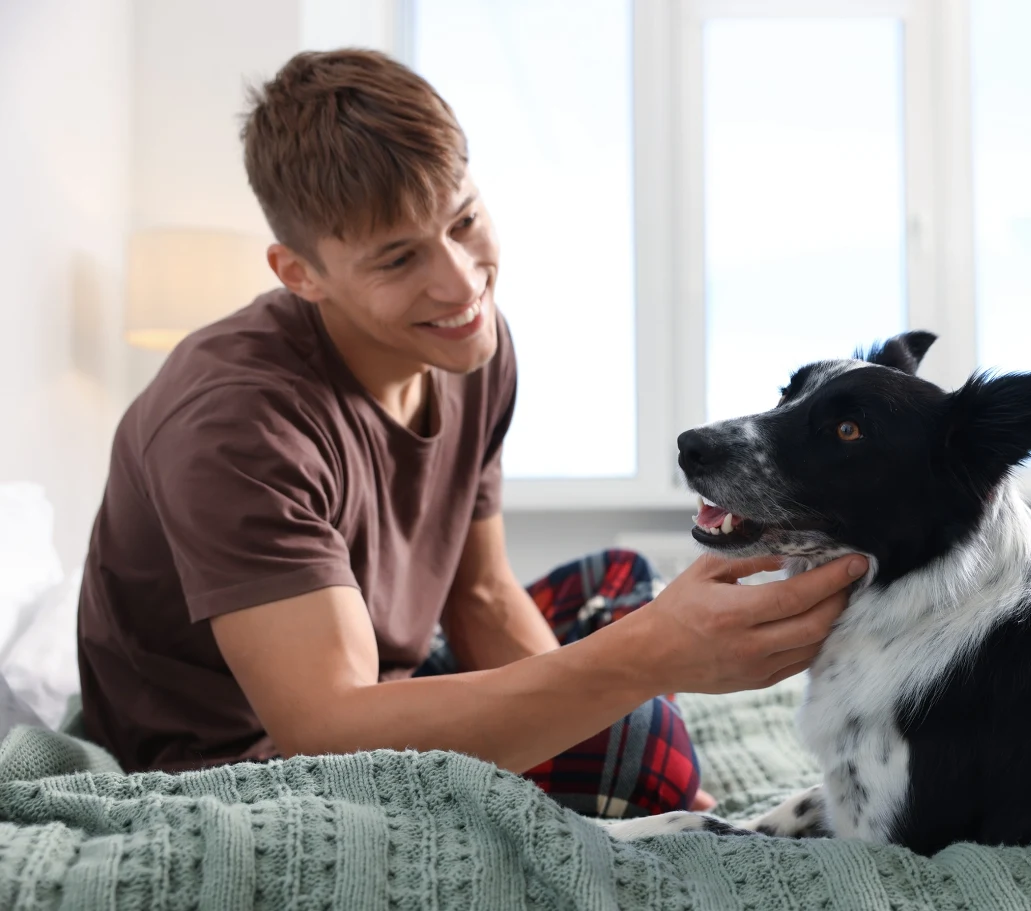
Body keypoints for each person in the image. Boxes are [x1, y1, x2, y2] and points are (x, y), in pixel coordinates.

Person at [75, 49, 866, 819]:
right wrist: (648, 664)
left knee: (620, 581)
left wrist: (631, 692)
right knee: (638, 724)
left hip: (391, 685)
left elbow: (481, 593)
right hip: (253, 755)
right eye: (398, 260)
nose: (460, 283)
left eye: (463, 220)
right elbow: (326, 730)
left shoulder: (465, 347)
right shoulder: (232, 421)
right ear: (300, 273)